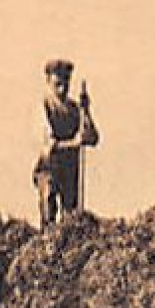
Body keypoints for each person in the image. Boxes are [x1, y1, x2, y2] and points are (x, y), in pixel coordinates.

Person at [34, 58, 99, 226]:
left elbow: (93, 138)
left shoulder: (74, 108)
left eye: (66, 84)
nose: (62, 89)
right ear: (48, 81)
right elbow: (50, 146)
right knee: (49, 214)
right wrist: (75, 143)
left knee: (70, 218)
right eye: (57, 84)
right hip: (49, 168)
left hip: (70, 169)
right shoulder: (44, 106)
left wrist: (86, 111)